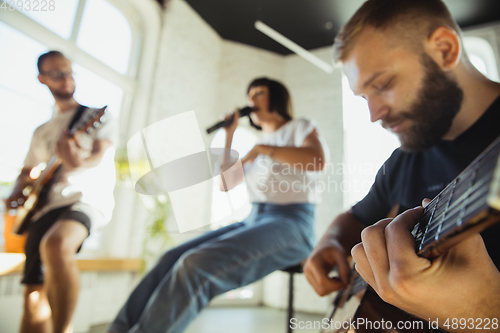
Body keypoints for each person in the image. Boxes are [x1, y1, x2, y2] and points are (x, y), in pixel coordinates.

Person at [303, 0, 500, 324]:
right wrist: (332, 240)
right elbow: (355, 217)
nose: (373, 114)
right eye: (365, 96)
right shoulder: (403, 159)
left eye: (383, 84)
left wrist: (481, 315)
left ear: (444, 49)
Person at [108, 77, 327, 333]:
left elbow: (317, 161)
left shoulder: (299, 127)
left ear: (276, 98)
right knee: (171, 258)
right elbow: (225, 183)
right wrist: (229, 135)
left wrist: (262, 149)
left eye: (258, 93)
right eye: (249, 96)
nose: (251, 101)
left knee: (195, 264)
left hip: (292, 223)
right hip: (253, 218)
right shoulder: (257, 147)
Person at [5, 51, 117, 333]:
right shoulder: (41, 131)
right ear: (42, 79)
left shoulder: (96, 116)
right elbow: (28, 170)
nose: (66, 79)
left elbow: (100, 155)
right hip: (45, 207)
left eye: (69, 72)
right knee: (32, 297)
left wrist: (78, 161)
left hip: (86, 199)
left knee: (55, 245)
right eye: (57, 74)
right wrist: (18, 190)